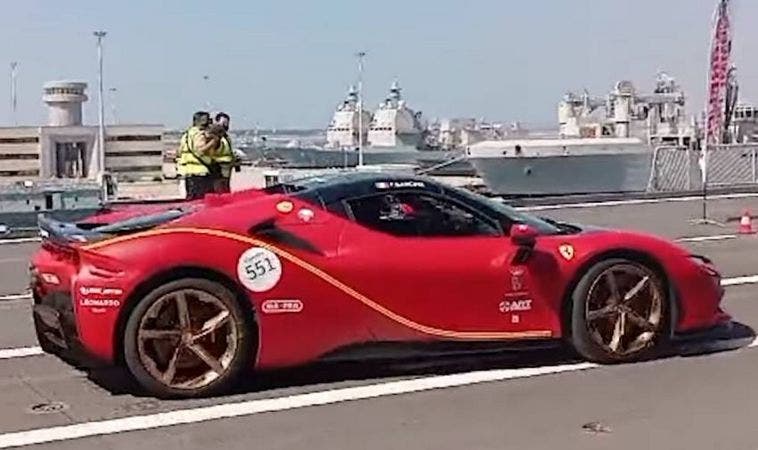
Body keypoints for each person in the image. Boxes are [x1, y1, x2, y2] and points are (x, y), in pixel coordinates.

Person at [177, 111, 220, 199]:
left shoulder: (186, 135)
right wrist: (214, 141)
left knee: (192, 199)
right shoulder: (199, 134)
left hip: (189, 172)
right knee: (202, 200)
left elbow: (179, 151)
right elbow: (200, 150)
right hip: (201, 173)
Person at [211, 112, 237, 193]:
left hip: (227, 166)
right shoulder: (214, 135)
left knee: (225, 186)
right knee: (219, 187)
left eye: (226, 123)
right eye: (223, 123)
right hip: (218, 166)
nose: (225, 125)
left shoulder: (226, 136)